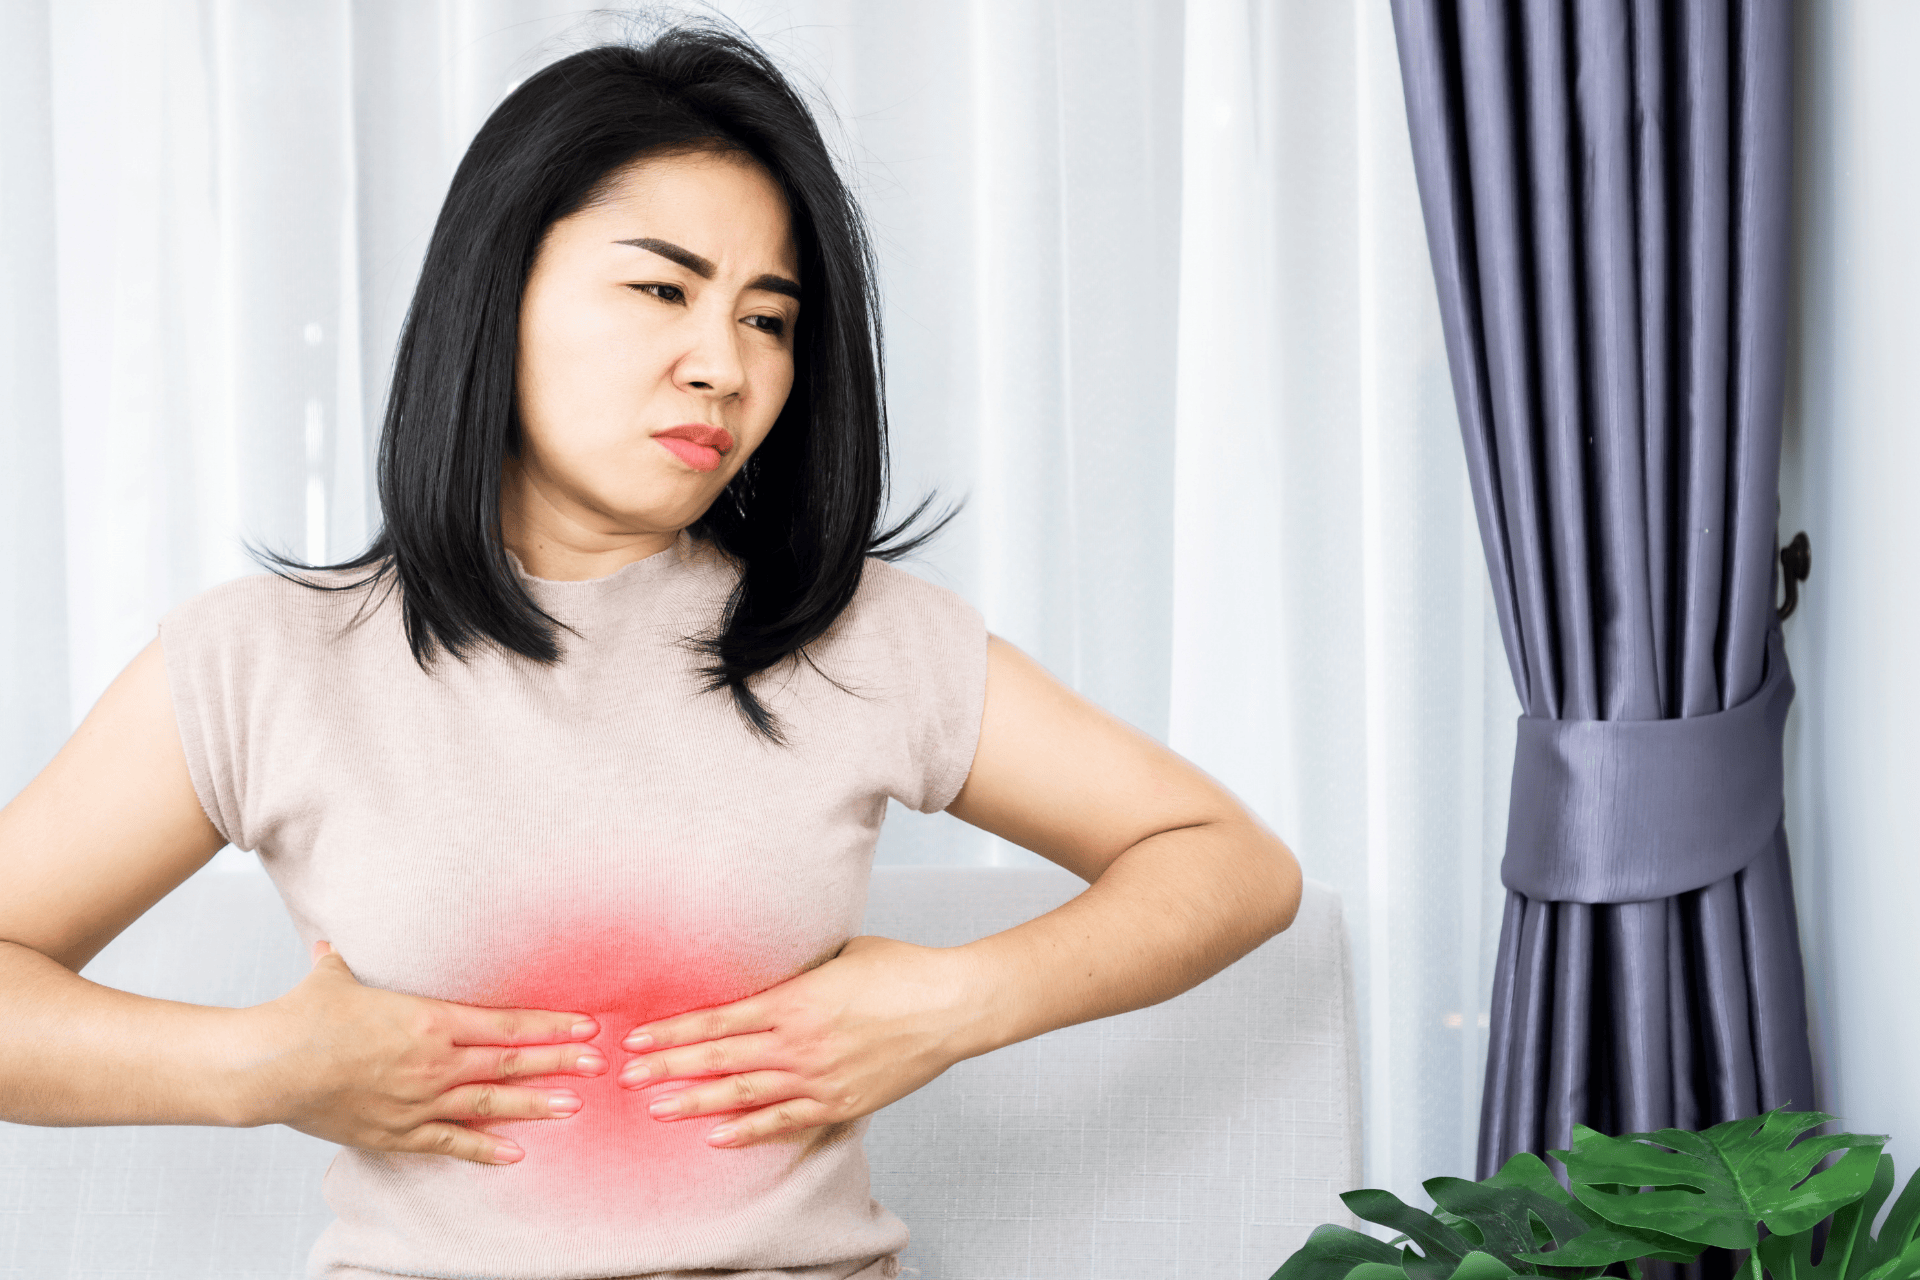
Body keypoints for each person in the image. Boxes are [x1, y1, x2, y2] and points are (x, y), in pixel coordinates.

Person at [0, 23, 1301, 1280]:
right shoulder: (264, 661)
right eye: (662, 289)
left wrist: (955, 1005)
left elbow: (1230, 862)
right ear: (497, 292)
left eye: (768, 319)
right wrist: (260, 1072)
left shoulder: (863, 636)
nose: (723, 366)